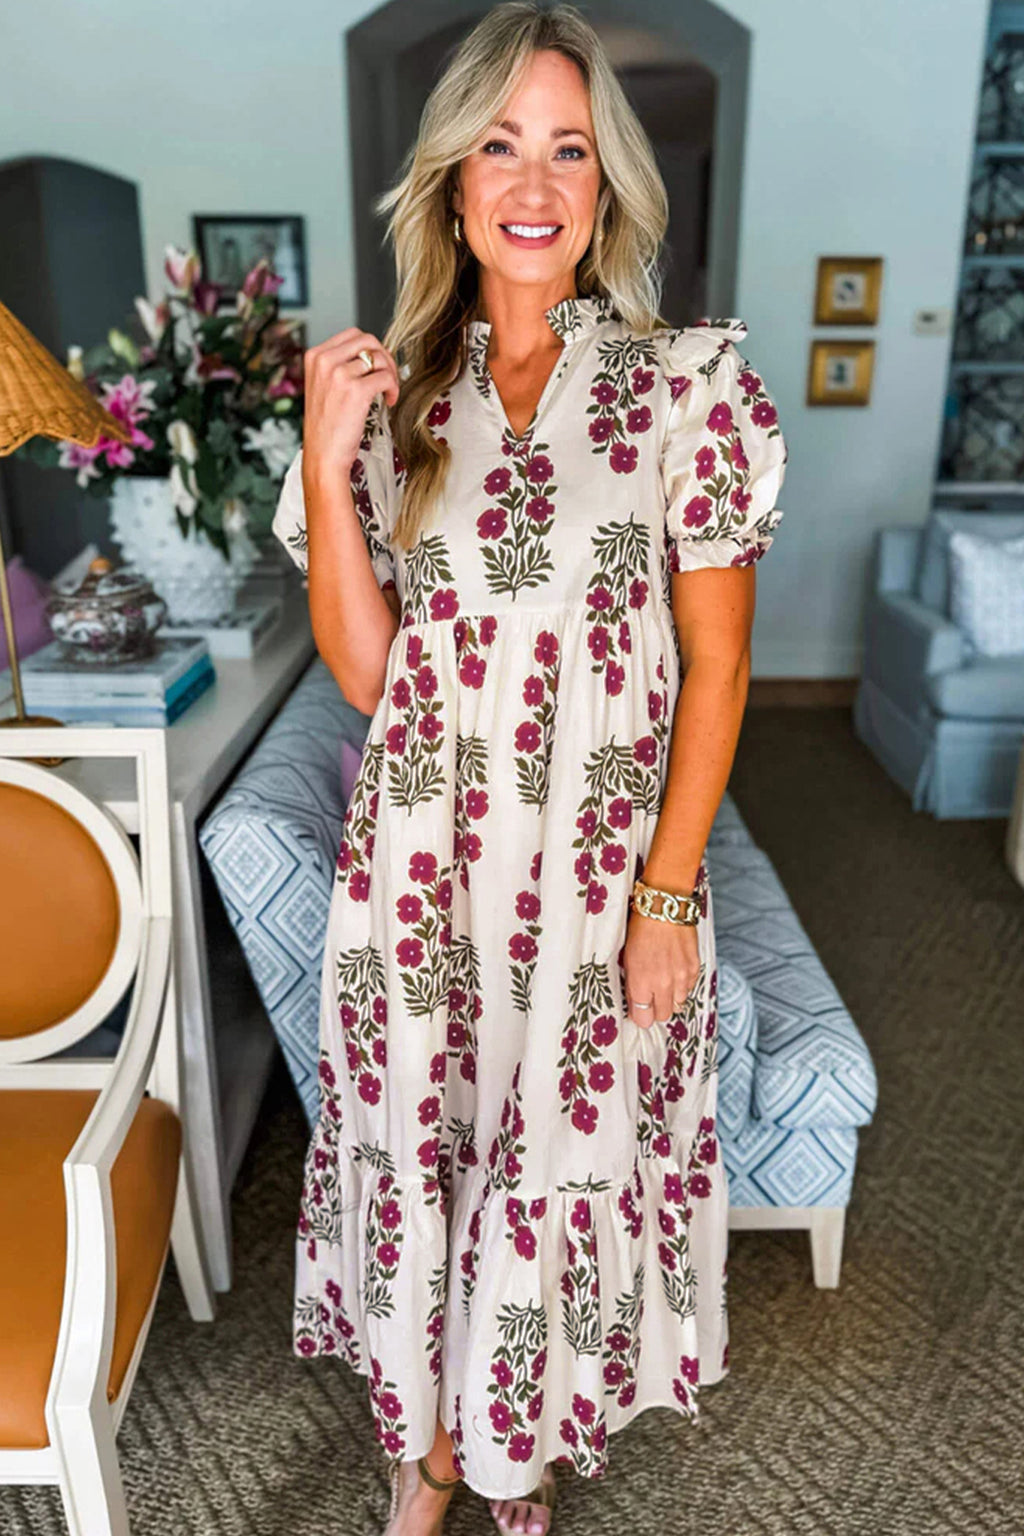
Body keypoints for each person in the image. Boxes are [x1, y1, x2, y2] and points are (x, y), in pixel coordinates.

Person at [272, 5, 787, 1534]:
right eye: (499, 142)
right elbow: (377, 673)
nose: (534, 177)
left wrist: (671, 897)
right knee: (426, 1149)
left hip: (589, 877)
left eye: (569, 145)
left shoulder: (687, 388)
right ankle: (429, 1455)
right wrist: (323, 453)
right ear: (449, 180)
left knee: (555, 1154)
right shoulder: (402, 399)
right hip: (419, 869)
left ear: (610, 182)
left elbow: (722, 664)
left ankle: (509, 1448)